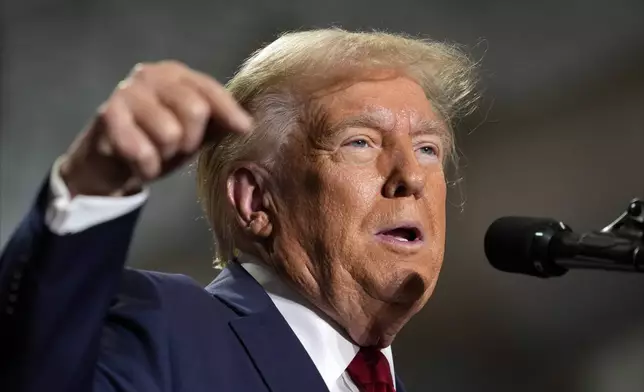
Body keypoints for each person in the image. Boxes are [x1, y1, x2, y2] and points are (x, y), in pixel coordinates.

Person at [0, 28, 478, 392]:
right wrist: (95, 183)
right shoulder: (167, 333)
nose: (411, 177)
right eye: (360, 142)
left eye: (427, 149)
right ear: (254, 200)